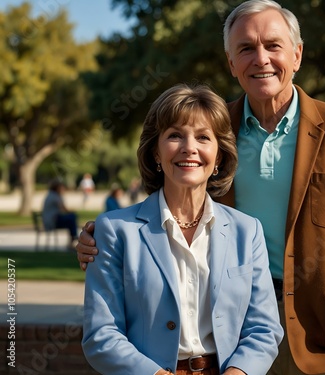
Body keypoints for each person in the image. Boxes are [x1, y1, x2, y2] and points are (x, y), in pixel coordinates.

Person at [77, 1, 325, 374]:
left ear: (297, 55)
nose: (260, 58)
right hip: (235, 329)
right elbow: (178, 195)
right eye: (246, 48)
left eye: (273, 45)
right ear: (231, 63)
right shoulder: (213, 131)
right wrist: (103, 236)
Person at [81, 83, 283, 375]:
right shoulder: (114, 231)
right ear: (155, 153)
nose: (190, 148)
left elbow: (264, 328)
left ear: (220, 156)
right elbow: (101, 334)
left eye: (203, 137)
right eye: (175, 135)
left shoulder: (247, 231)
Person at [41, 179, 78, 249]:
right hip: (52, 222)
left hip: (50, 220)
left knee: (70, 220)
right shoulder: (55, 196)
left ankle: (73, 238)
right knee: (72, 218)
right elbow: (64, 208)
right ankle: (74, 237)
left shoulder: (50, 195)